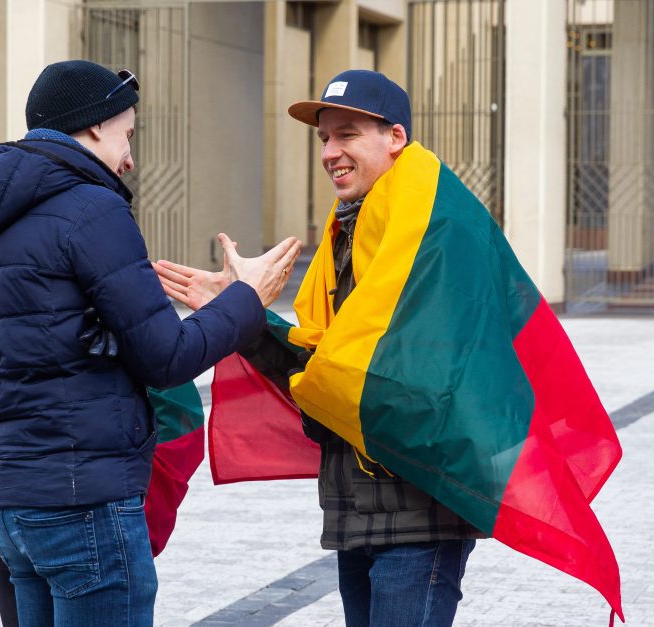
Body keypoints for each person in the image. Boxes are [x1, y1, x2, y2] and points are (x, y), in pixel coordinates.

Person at [0, 59, 301, 627]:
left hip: (12, 509)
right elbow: (166, 358)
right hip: (88, 506)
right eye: (126, 134)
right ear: (93, 127)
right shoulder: (93, 209)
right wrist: (246, 298)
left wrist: (33, 443)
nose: (129, 157)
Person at [153, 70, 483, 626]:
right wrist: (242, 310)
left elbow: (416, 383)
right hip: (357, 505)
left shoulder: (436, 235)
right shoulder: (350, 232)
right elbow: (323, 370)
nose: (330, 152)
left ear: (395, 137)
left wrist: (261, 328)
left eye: (347, 134)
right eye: (324, 138)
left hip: (420, 509)